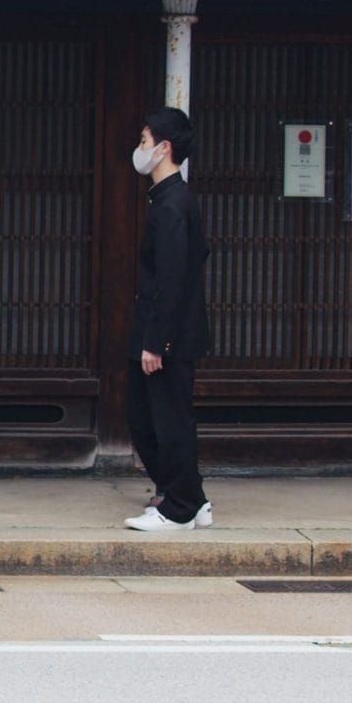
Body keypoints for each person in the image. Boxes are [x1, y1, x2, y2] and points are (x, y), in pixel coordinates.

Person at [121, 106, 215, 533]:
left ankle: (178, 509)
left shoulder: (173, 204)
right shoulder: (169, 199)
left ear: (163, 148)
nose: (139, 149)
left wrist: (156, 342)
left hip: (168, 335)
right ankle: (192, 499)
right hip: (168, 330)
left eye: (144, 141)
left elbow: (172, 278)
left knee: (165, 420)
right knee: (149, 416)